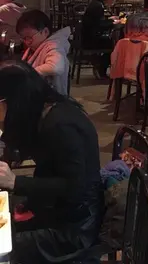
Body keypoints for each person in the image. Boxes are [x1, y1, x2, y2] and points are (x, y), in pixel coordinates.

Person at [0, 61, 103, 263]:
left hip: (75, 229)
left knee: (5, 246)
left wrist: (15, 182)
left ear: (12, 101)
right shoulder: (42, 111)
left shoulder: (61, 125)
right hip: (57, 210)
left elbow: (75, 188)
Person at [17, 10, 71, 95]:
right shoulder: (35, 46)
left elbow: (56, 67)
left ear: (45, 32)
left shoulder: (54, 46)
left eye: (29, 37)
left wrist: (28, 73)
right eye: (24, 38)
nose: (27, 42)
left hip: (52, 97)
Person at [82, 0, 118, 77]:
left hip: (86, 37)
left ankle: (100, 67)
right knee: (116, 44)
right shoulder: (98, 6)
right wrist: (113, 22)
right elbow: (99, 26)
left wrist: (109, 20)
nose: (114, 1)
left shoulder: (95, 3)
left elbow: (96, 22)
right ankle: (101, 69)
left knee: (113, 42)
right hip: (90, 40)